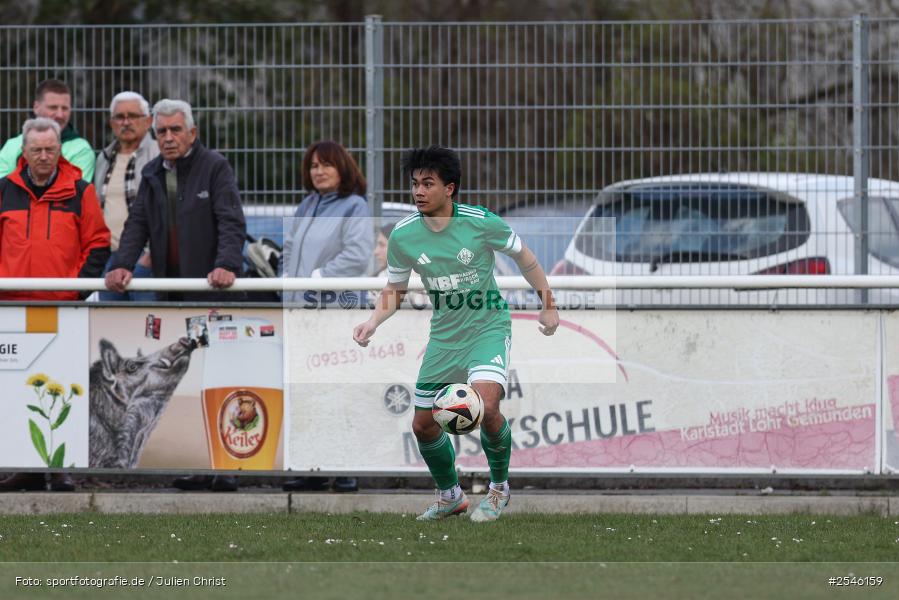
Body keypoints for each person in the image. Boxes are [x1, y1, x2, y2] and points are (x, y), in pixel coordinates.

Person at [352, 146, 559, 521]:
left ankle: (498, 490)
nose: (418, 191)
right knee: (423, 423)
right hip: (445, 338)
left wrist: (548, 303)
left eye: (427, 183)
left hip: (488, 328)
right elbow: (395, 289)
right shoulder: (403, 236)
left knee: (487, 407)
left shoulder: (480, 222)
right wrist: (372, 321)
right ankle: (451, 496)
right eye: (414, 183)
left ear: (449, 188)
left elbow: (525, 257)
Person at [104, 99, 246, 492]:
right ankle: (200, 465)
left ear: (192, 133)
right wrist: (123, 265)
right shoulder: (151, 173)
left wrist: (227, 266)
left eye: (175, 130)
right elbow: (137, 226)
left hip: (213, 297)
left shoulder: (214, 166)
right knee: (190, 379)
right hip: (174, 298)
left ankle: (227, 468)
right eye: (162, 131)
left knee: (222, 379)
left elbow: (231, 220)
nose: (167, 137)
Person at [0, 118, 110, 492]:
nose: (44, 156)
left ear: (60, 149)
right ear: (23, 152)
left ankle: (60, 468)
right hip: (12, 309)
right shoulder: (3, 191)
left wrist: (74, 293)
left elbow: (97, 243)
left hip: (63, 310)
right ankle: (25, 466)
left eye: (51, 149)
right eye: (36, 150)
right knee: (17, 390)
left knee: (63, 390)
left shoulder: (81, 191)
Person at [281, 140, 373, 493]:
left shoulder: (355, 207)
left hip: (337, 313)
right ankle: (313, 467)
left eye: (326, 165)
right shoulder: (306, 205)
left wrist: (316, 279)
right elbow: (289, 250)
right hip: (303, 313)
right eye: (313, 166)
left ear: (342, 168)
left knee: (340, 389)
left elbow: (357, 255)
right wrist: (287, 283)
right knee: (308, 392)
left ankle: (346, 467)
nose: (318, 171)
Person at [95, 91, 159, 301]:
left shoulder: (160, 156)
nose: (126, 122)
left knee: (147, 327)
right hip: (109, 259)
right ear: (111, 122)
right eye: (120, 117)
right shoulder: (103, 159)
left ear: (148, 121)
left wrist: (150, 257)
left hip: (145, 259)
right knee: (111, 327)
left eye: (133, 116)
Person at [0, 79, 95, 181]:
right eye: (53, 107)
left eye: (65, 108)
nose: (60, 114)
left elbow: (76, 192)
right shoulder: (12, 145)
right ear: (36, 107)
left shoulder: (81, 149)